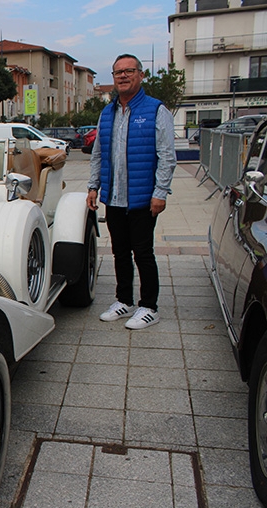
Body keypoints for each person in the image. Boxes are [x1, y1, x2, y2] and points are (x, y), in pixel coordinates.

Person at [87, 53, 177, 330]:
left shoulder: (156, 110)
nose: (123, 76)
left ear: (140, 75)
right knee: (119, 252)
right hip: (114, 196)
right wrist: (93, 186)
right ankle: (124, 300)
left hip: (142, 198)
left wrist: (160, 192)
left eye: (129, 71)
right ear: (113, 79)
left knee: (143, 253)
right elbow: (99, 152)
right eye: (118, 73)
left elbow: (167, 156)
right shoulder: (108, 112)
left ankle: (149, 306)